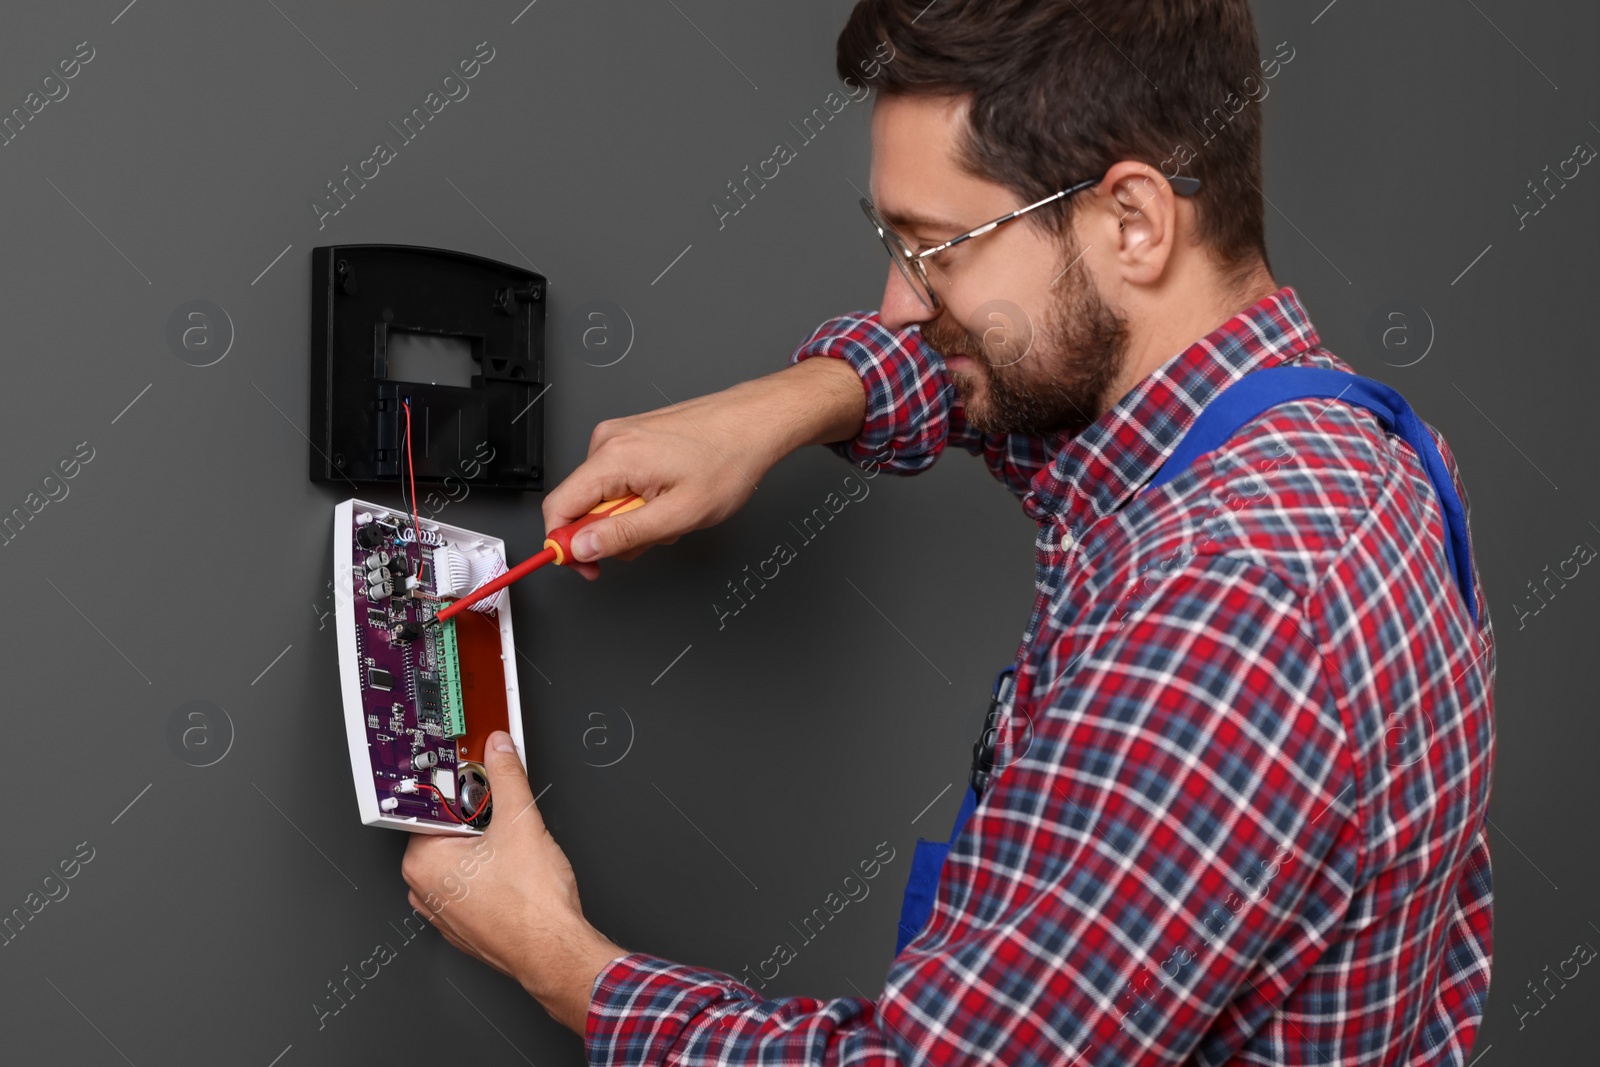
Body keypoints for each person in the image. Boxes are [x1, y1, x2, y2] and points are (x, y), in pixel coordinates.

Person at [401, 1, 1496, 1062]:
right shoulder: (1346, 445)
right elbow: (1033, 392)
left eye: (937, 248)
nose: (897, 302)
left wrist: (559, 960)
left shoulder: (1221, 617)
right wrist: (788, 406)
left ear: (1133, 221)